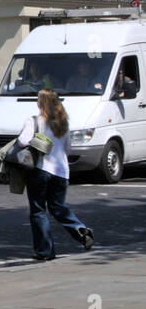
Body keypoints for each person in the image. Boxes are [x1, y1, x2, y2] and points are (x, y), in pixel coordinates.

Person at [18, 88, 94, 260]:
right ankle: (80, 230)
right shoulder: (63, 123)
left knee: (38, 210)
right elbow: (68, 149)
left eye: (38, 99)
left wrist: (36, 141)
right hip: (61, 171)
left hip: (40, 168)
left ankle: (45, 251)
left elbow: (22, 141)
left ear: (41, 102)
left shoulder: (34, 121)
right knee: (58, 207)